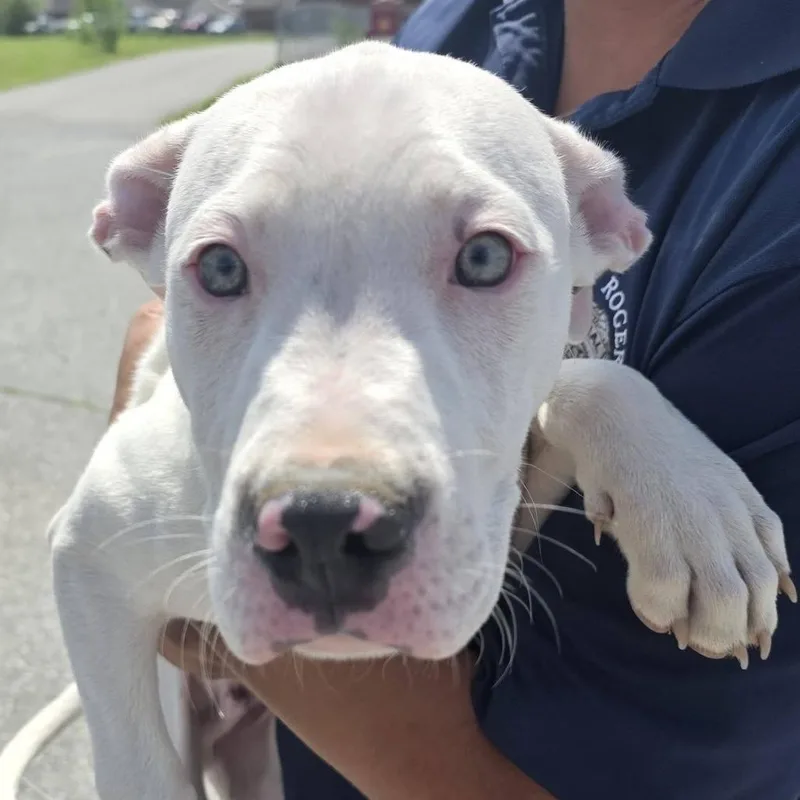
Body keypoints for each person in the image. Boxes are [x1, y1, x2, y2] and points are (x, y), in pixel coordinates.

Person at [112, 0, 800, 797]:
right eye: (221, 269)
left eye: (481, 258)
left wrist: (163, 526)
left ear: (613, 230)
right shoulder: (455, 26)